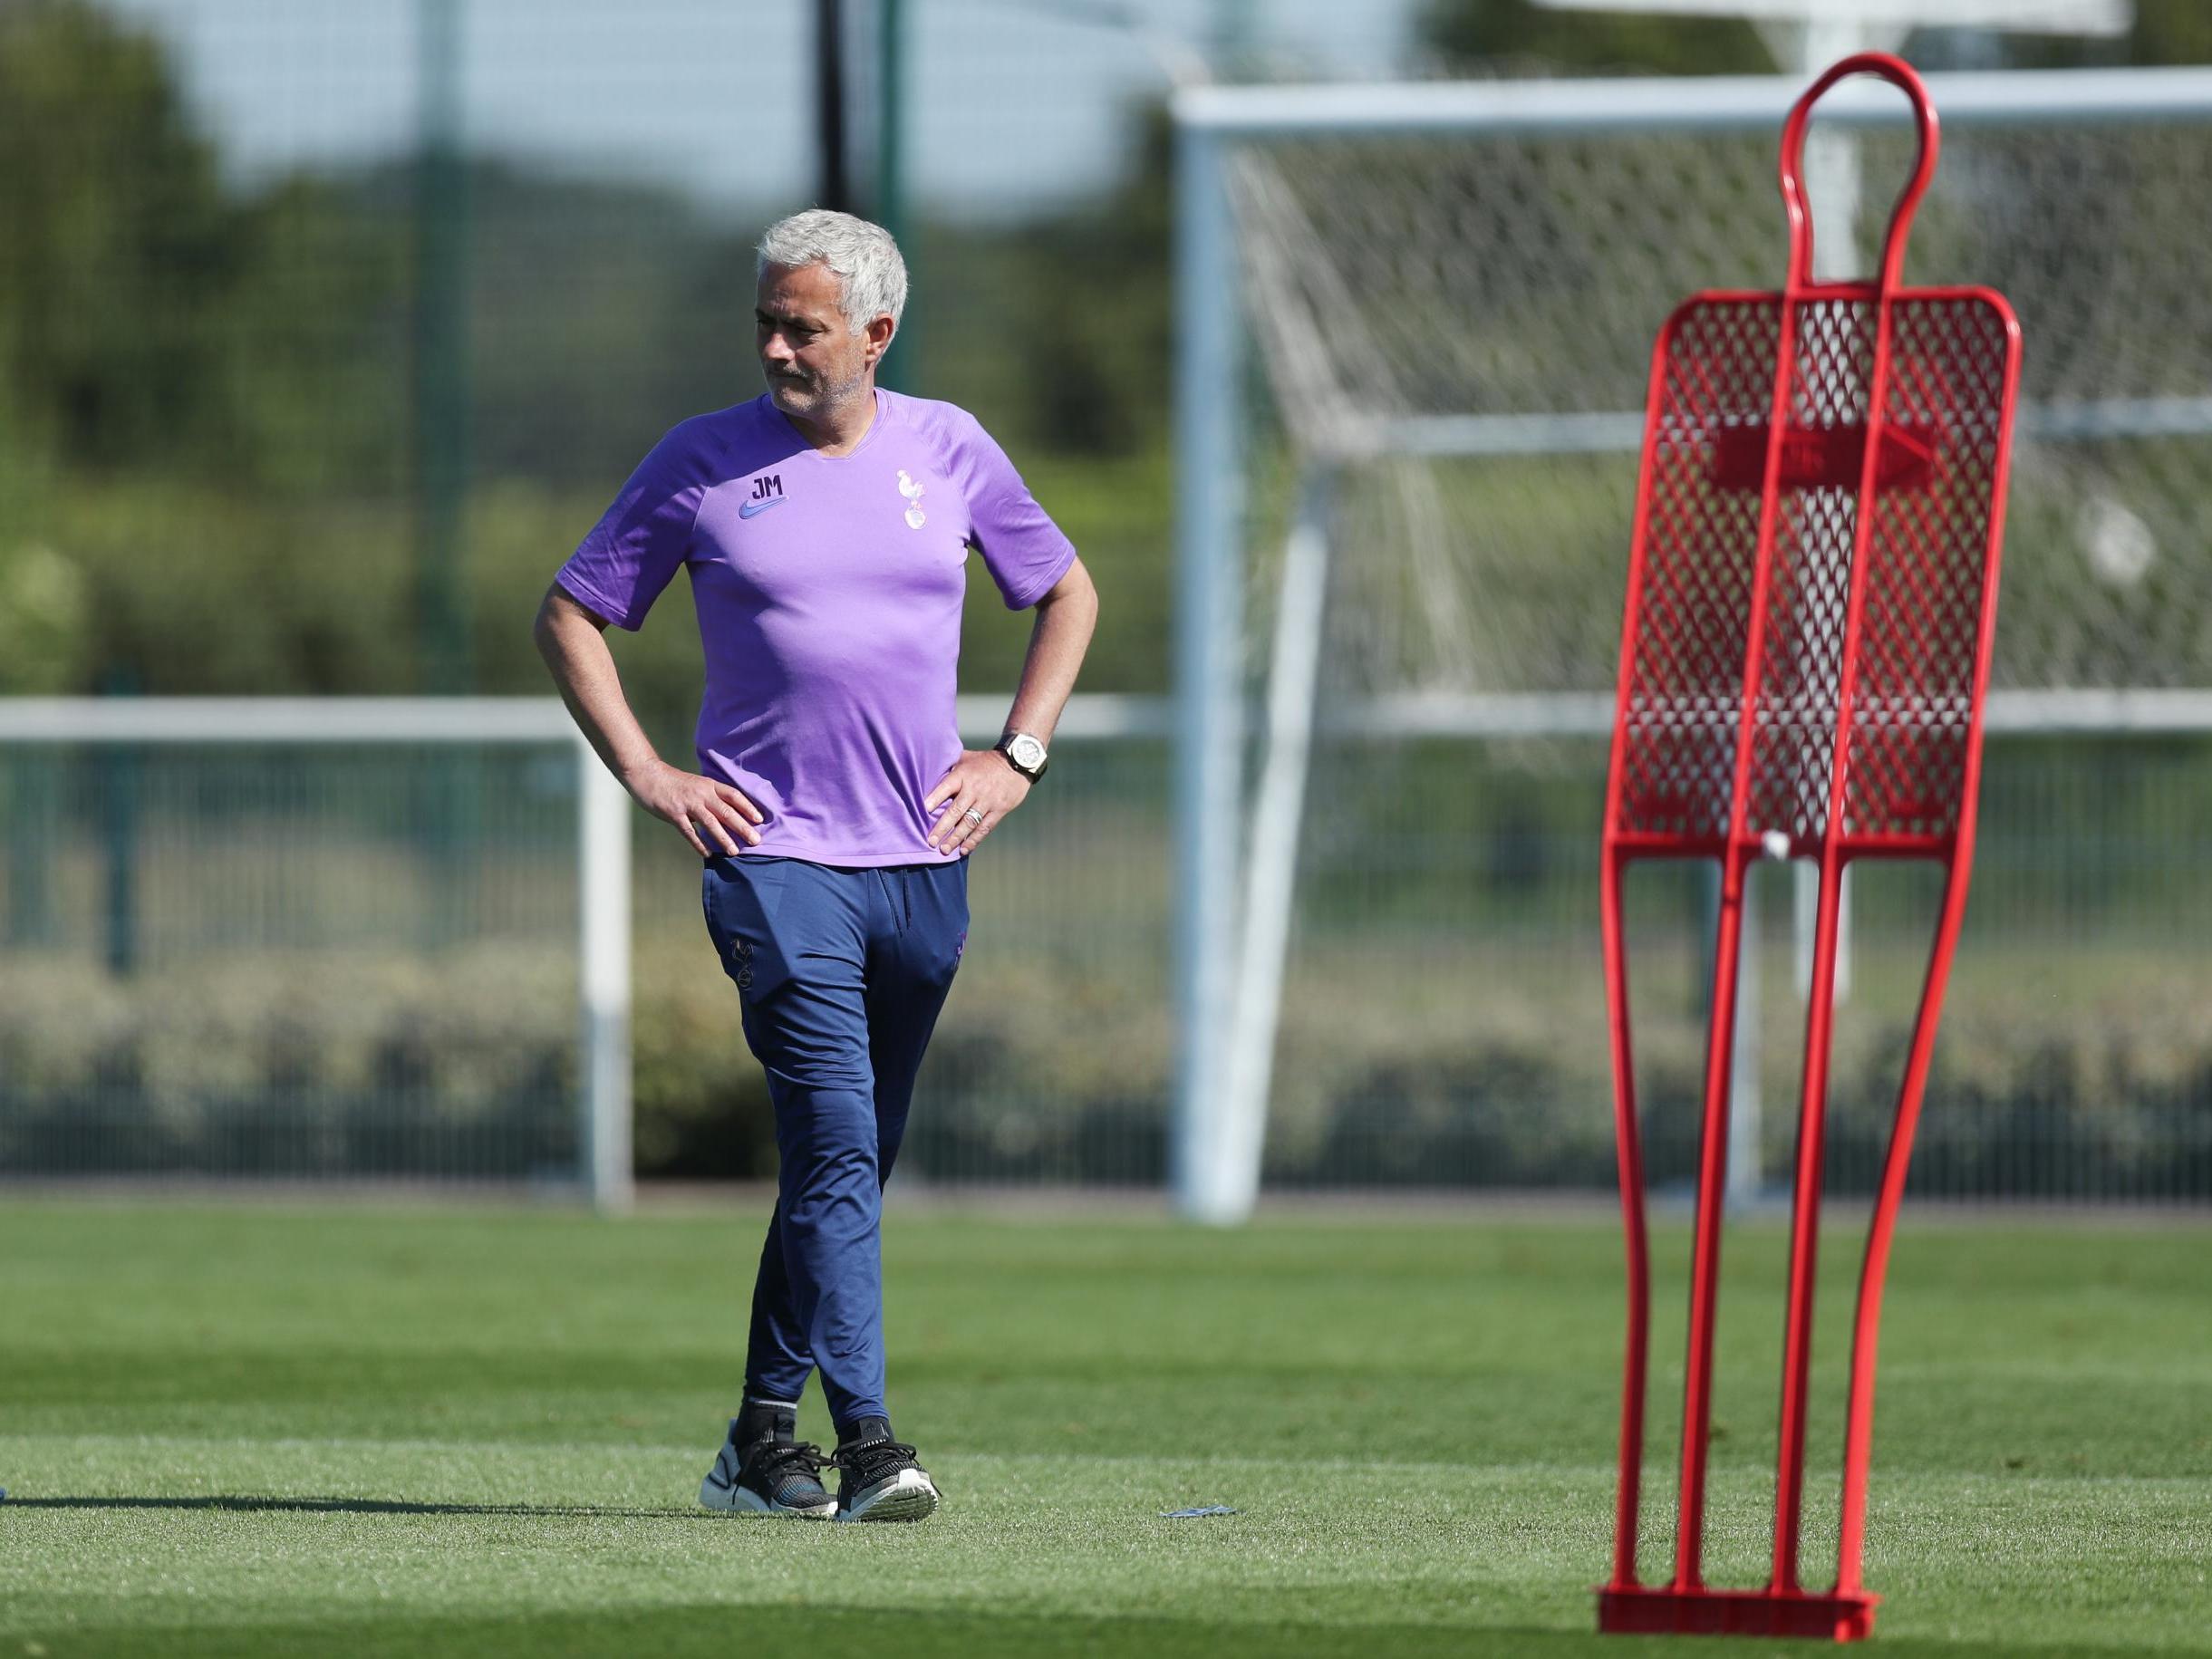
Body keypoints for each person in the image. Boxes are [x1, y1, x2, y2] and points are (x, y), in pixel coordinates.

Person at [533, 209, 1098, 1522]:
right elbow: (572, 610)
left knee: (846, 1163)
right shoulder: (699, 462)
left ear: (876, 335)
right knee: (837, 1145)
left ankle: (752, 1441)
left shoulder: (949, 448)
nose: (779, 346)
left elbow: (1065, 590)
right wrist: (649, 773)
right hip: (774, 860)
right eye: (766, 324)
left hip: (923, 861)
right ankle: (871, 1446)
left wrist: (1015, 755)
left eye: (806, 325)